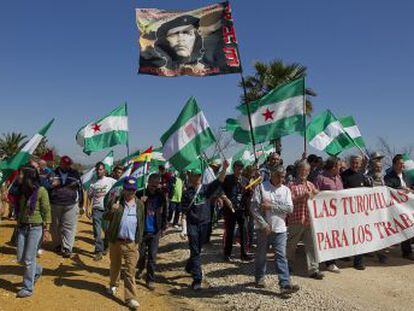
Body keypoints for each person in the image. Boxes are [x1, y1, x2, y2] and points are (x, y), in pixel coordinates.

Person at [250, 165, 299, 297]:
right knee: (261, 256)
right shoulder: (261, 188)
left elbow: (289, 209)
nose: (282, 179)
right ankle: (259, 277)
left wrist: (271, 206)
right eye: (279, 176)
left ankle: (285, 284)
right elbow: (254, 209)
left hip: (280, 229)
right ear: (271, 174)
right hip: (263, 230)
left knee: (281, 256)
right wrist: (264, 224)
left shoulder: (286, 190)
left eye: (283, 176)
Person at [182, 160, 229, 290]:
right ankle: (197, 279)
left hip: (205, 224)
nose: (196, 178)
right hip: (192, 225)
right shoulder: (187, 193)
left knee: (197, 249)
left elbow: (219, 181)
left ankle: (189, 266)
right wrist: (183, 228)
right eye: (194, 175)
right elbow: (184, 212)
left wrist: (224, 168)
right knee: (195, 250)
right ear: (190, 177)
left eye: (198, 175)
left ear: (200, 177)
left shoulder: (206, 189)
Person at [105, 177, 145, 310]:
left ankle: (130, 298)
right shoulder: (116, 201)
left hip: (131, 243)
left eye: (133, 190)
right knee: (115, 266)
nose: (130, 193)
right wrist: (112, 210)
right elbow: (105, 216)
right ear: (124, 189)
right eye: (128, 189)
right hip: (116, 241)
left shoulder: (140, 204)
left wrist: (139, 240)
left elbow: (141, 223)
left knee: (130, 271)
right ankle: (113, 284)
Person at [15, 166, 51, 298]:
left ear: (28, 177)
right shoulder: (21, 190)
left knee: (29, 259)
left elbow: (46, 210)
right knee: (21, 258)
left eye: (21, 174)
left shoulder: (41, 191)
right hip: (22, 227)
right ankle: (38, 270)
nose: (18, 176)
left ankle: (27, 288)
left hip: (36, 228)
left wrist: (46, 230)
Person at [286, 160, 323, 279]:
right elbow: (288, 201)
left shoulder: (311, 185)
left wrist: (318, 194)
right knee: (292, 244)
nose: (304, 172)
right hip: (296, 219)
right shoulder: (291, 185)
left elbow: (318, 200)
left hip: (309, 220)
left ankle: (314, 269)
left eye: (306, 170)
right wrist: (303, 196)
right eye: (302, 170)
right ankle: (288, 265)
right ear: (298, 171)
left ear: (309, 171)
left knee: (311, 245)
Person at [136, 173, 168, 290]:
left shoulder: (161, 196)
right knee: (141, 254)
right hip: (142, 230)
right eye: (151, 185)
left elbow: (164, 212)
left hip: (155, 231)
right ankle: (140, 268)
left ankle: (150, 279)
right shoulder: (141, 194)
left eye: (156, 186)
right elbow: (133, 209)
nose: (153, 188)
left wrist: (164, 226)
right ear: (148, 183)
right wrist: (140, 202)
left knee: (152, 257)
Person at [340, 155, 371, 270]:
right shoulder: (343, 176)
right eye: (353, 162)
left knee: (360, 235)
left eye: (357, 163)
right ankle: (344, 254)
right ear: (350, 163)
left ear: (360, 164)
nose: (355, 165)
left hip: (360, 211)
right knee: (348, 235)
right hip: (347, 211)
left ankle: (358, 261)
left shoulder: (362, 176)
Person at [49, 155, 83, 258]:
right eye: (65, 164)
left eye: (69, 164)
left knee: (69, 227)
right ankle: (57, 245)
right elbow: (46, 187)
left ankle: (67, 248)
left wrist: (81, 202)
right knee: (55, 226)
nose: (67, 166)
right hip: (55, 203)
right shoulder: (53, 173)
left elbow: (80, 188)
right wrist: (51, 185)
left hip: (70, 204)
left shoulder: (75, 173)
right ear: (60, 163)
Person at [314, 157, 343, 273]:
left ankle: (332, 259)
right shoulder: (320, 178)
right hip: (325, 214)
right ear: (333, 167)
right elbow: (315, 195)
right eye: (339, 166)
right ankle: (329, 262)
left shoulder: (339, 178)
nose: (340, 168)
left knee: (336, 236)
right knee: (327, 237)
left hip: (338, 213)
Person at [221, 160, 253, 262]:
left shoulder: (245, 180)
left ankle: (244, 254)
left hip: (242, 210)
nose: (240, 170)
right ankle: (227, 254)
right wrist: (226, 200)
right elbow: (221, 190)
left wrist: (250, 191)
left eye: (241, 168)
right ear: (234, 168)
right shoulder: (228, 178)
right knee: (230, 232)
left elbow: (248, 195)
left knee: (243, 232)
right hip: (230, 210)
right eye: (238, 167)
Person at [384, 154, 414, 260]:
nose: (402, 166)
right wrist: (400, 189)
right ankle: (406, 252)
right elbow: (388, 189)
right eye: (400, 164)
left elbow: (409, 188)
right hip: (396, 207)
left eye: (403, 164)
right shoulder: (388, 177)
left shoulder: (405, 175)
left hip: (406, 206)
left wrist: (409, 190)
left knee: (409, 226)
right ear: (394, 165)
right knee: (405, 226)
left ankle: (407, 250)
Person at [87, 162, 116, 261]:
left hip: (107, 210)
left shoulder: (110, 181)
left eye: (101, 169)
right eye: (97, 170)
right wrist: (87, 209)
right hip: (96, 210)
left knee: (107, 230)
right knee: (97, 231)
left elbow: (120, 187)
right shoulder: (93, 183)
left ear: (105, 170)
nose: (99, 171)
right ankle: (98, 251)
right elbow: (89, 196)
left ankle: (106, 245)